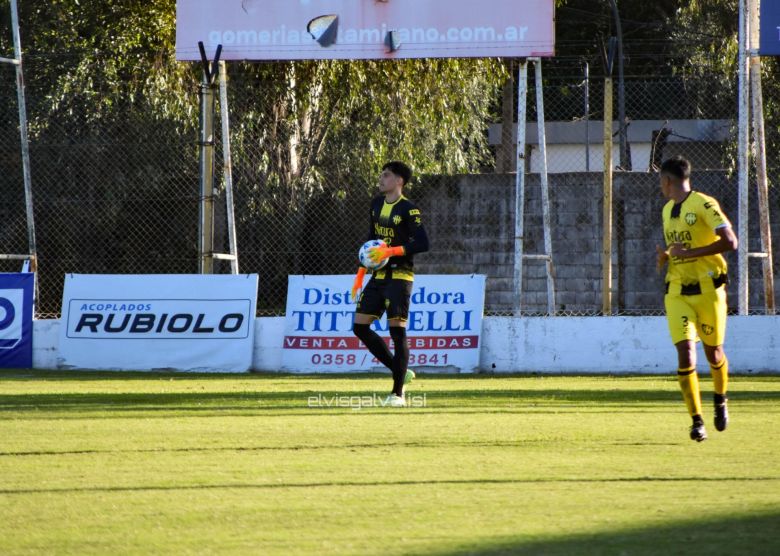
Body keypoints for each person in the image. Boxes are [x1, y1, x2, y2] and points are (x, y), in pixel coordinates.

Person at [655, 156, 738, 441]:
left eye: (661, 181)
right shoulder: (667, 210)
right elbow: (678, 246)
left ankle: (720, 399)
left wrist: (689, 254)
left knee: (713, 353)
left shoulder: (704, 203)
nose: (661, 186)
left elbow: (730, 241)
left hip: (708, 291)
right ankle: (697, 421)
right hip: (677, 291)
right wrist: (666, 256)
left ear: (667, 181)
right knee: (685, 352)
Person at [350, 161, 429, 407]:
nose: (381, 178)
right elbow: (372, 244)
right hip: (378, 276)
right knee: (360, 327)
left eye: (386, 175)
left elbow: (422, 243)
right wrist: (360, 276)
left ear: (399, 181)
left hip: (400, 276)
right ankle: (399, 369)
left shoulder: (409, 209)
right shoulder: (375, 205)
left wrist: (391, 252)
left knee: (397, 332)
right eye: (381, 174)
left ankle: (398, 394)